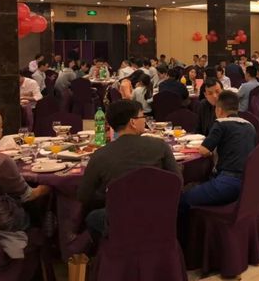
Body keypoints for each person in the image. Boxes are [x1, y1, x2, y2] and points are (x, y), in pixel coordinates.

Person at [77, 100, 181, 236]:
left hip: (120, 219)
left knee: (92, 217)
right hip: (158, 213)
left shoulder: (100, 155)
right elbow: (177, 181)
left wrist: (110, 194)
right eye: (142, 116)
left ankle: (108, 247)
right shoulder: (160, 146)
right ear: (132, 122)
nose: (144, 120)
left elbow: (84, 196)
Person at [182, 91, 256, 208]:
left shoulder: (221, 123)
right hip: (248, 184)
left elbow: (204, 150)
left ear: (219, 110)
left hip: (227, 183)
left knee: (183, 197)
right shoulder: (250, 126)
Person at [0, 110, 51, 243]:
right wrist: (47, 187)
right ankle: (48, 242)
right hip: (2, 222)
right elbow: (27, 195)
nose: (2, 130)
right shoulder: (1, 161)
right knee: (42, 204)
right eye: (0, 126)